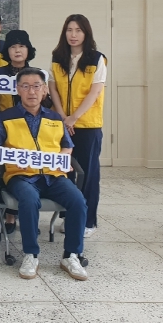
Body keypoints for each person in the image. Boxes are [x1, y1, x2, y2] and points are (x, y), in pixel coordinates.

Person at [0, 68, 88, 281]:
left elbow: (67, 146)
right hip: (20, 175)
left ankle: (71, 255)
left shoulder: (55, 118)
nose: (31, 91)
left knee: (78, 200)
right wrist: (6, 155)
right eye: (25, 86)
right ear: (18, 90)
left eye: (36, 86)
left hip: (53, 176)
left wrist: (62, 158)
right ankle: (31, 254)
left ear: (44, 90)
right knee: (29, 199)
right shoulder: (6, 117)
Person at [48, 15, 107, 239]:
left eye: (78, 30)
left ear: (86, 33)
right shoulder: (58, 57)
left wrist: (74, 118)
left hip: (87, 125)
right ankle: (68, 215)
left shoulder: (97, 59)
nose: (73, 35)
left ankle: (88, 220)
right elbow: (52, 87)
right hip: (61, 122)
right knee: (65, 171)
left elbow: (95, 92)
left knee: (87, 173)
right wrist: (63, 116)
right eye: (69, 30)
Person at [0, 29, 37, 234]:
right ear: (6, 51)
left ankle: (22, 214)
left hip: (31, 130)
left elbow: (44, 102)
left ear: (28, 50)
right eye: (13, 46)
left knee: (26, 169)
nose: (17, 50)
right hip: (2, 127)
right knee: (4, 169)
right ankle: (7, 213)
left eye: (22, 46)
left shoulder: (37, 74)